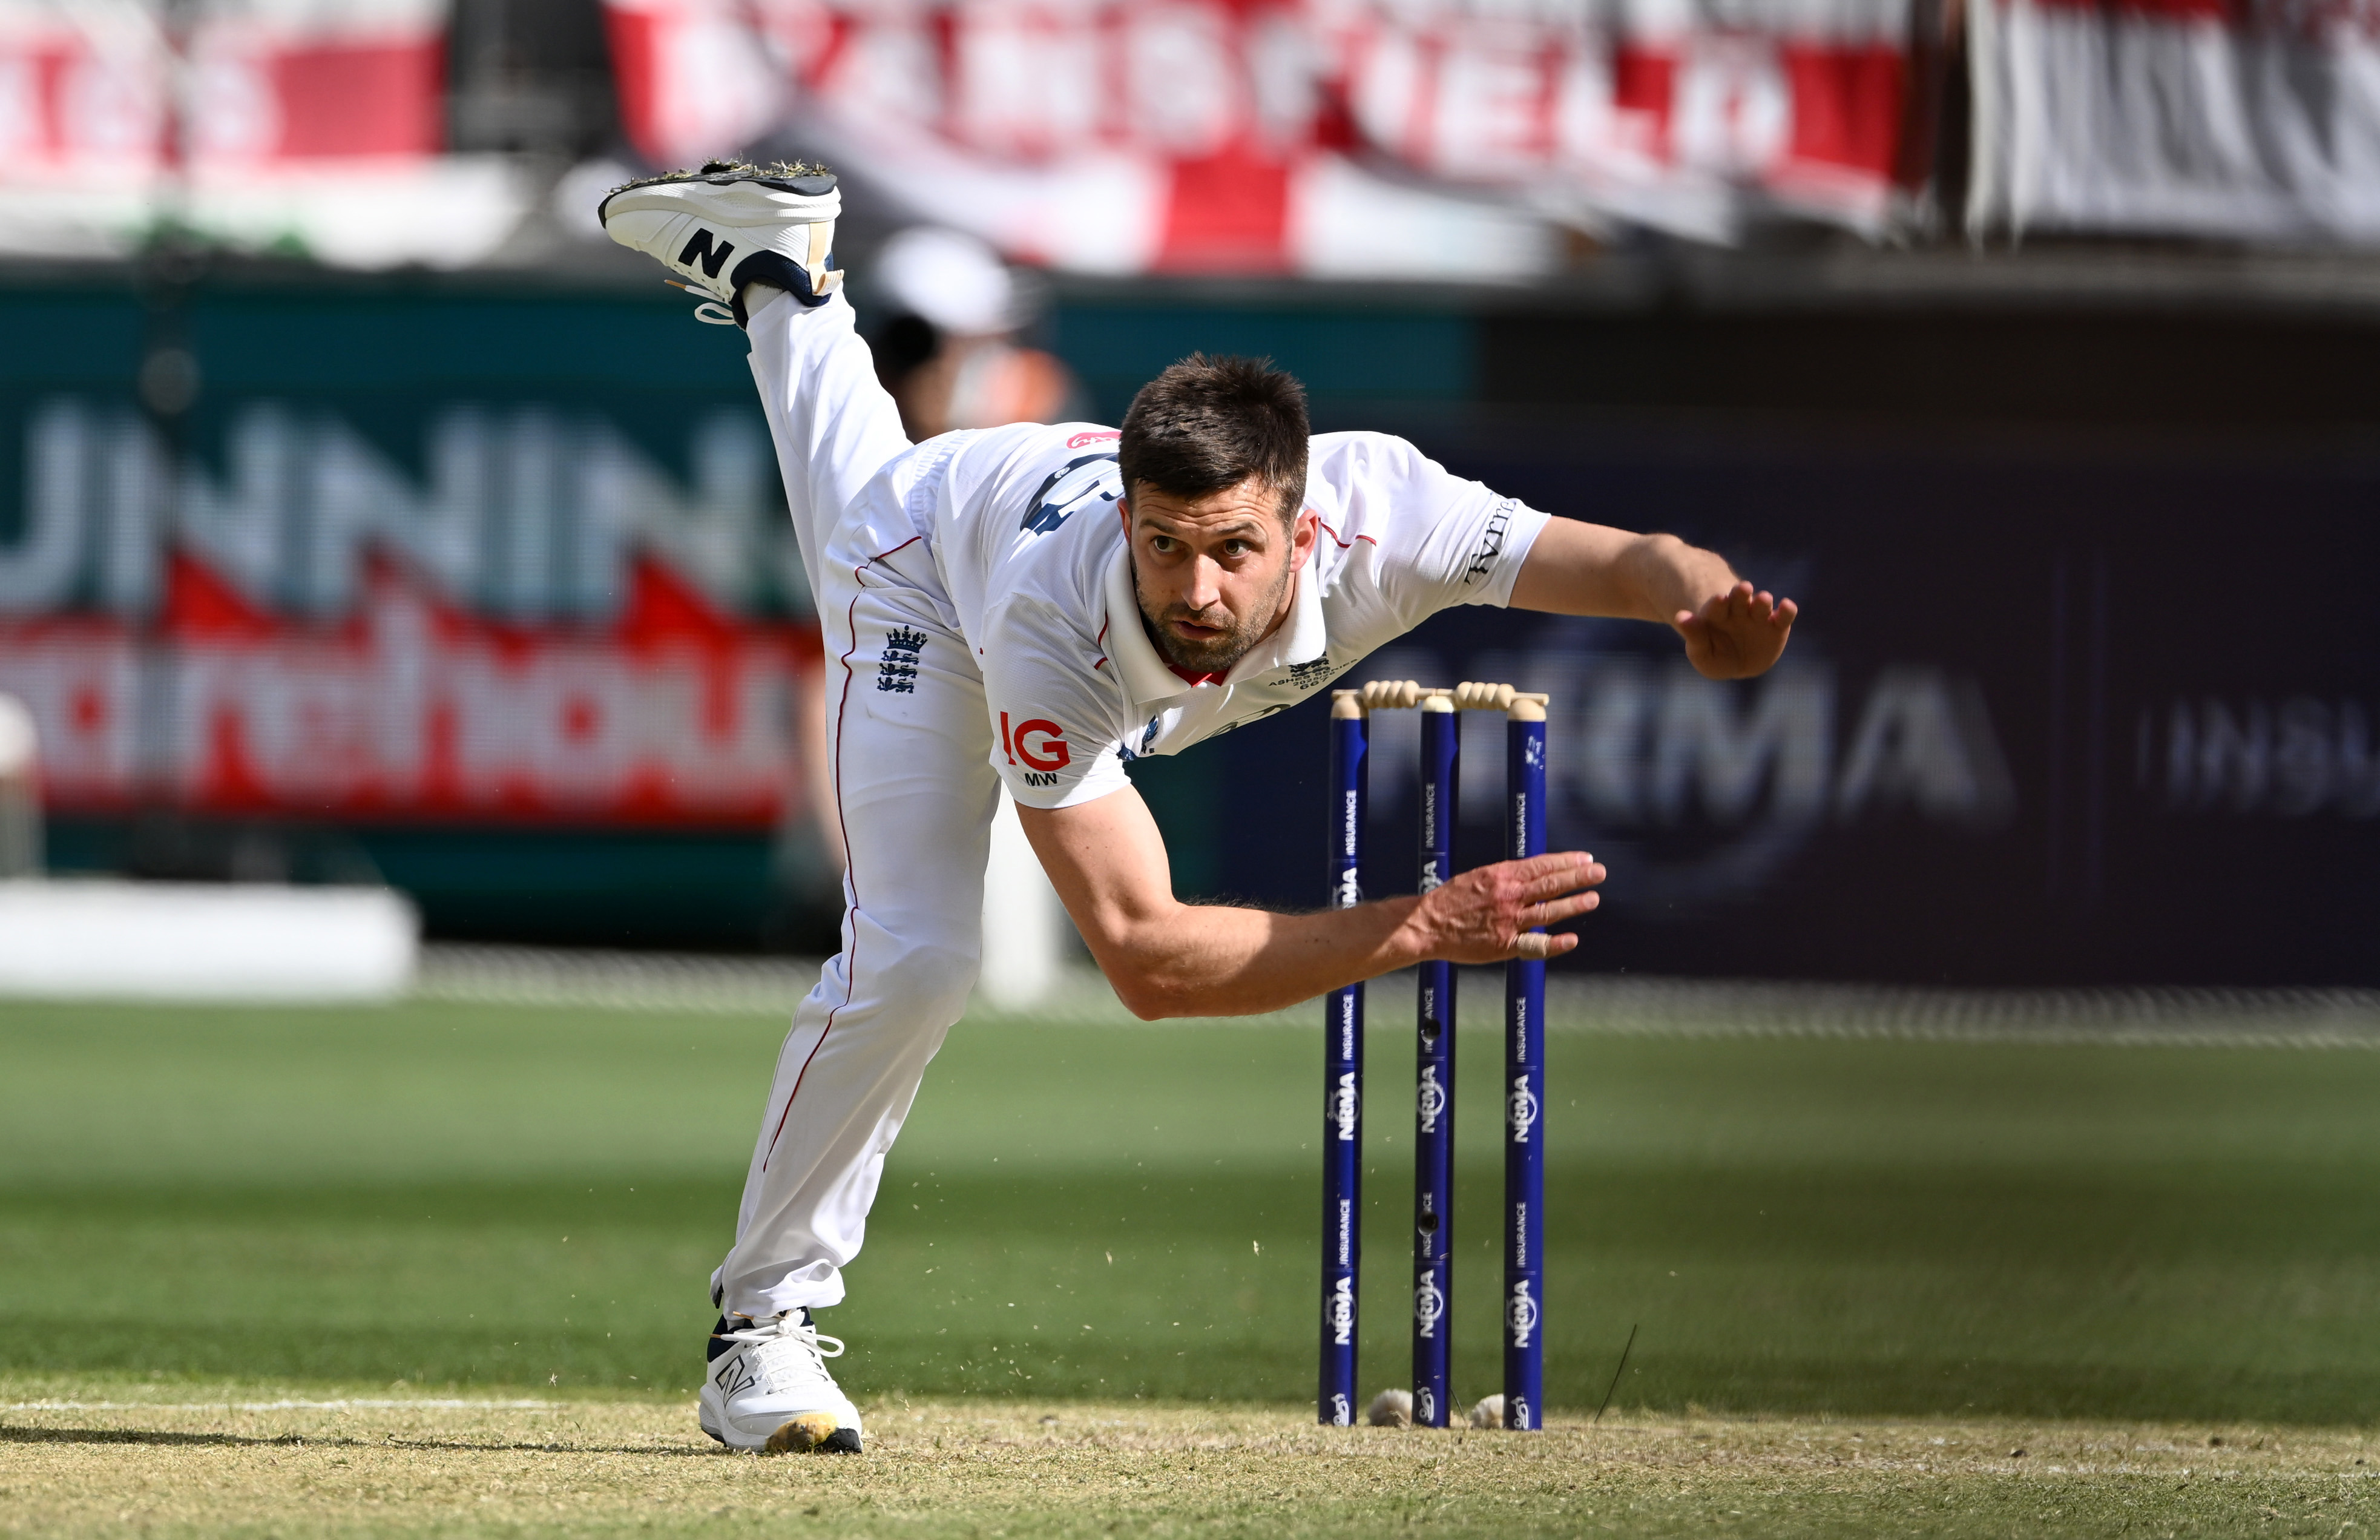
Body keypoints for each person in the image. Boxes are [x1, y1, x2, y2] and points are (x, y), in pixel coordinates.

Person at [598, 160, 1798, 1455]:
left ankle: (787, 277)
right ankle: (759, 1330)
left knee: (865, 475)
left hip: (985, 492)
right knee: (919, 952)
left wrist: (1705, 606)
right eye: (1164, 543)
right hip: (932, 590)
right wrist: (1421, 925)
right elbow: (1146, 959)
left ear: (1301, 524)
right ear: (1130, 520)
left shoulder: (1395, 516)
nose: (1199, 589)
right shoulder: (1054, 621)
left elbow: (1626, 560)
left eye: (1234, 547)